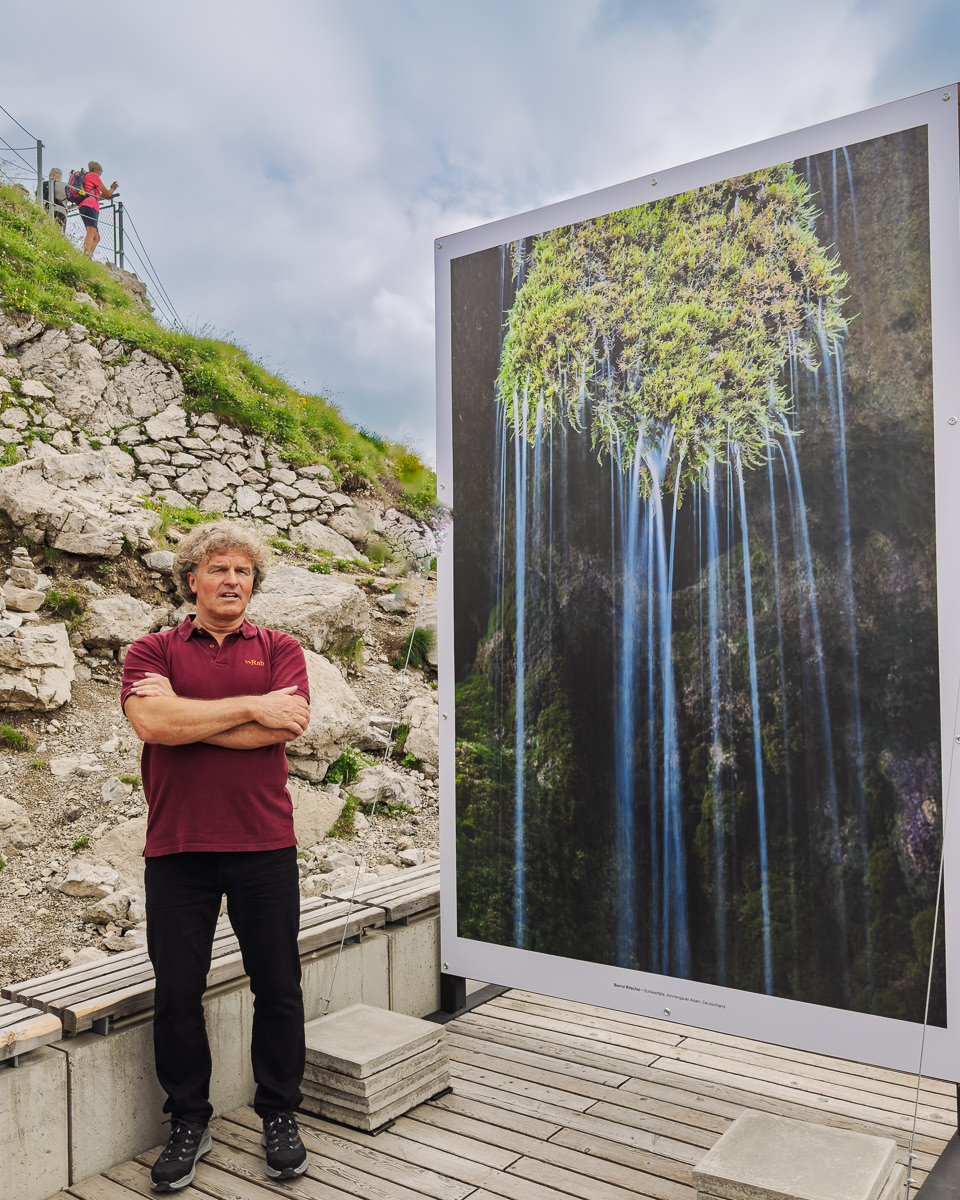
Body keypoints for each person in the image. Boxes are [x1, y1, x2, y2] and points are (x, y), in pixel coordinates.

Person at [121, 521, 311, 1191]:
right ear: (192, 579)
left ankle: (280, 1115)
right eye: (220, 569)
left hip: (265, 845)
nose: (233, 581)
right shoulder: (150, 648)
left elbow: (287, 724)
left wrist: (193, 720)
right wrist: (249, 711)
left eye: (244, 572)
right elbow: (152, 724)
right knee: (176, 993)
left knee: (279, 989)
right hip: (177, 848)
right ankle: (188, 1121)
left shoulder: (282, 647)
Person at [77, 159, 118, 258]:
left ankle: (89, 254)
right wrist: (112, 188)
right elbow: (107, 193)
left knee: (96, 236)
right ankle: (86, 255)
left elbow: (98, 194)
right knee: (91, 232)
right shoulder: (93, 176)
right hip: (91, 206)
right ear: (99, 171)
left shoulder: (86, 177)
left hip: (84, 205)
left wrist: (106, 193)